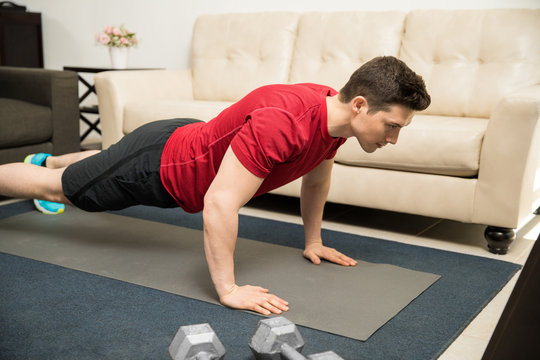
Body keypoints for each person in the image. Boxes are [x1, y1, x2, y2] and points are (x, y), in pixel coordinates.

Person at [0, 56, 431, 315]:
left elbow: (317, 181)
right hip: (157, 168)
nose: (392, 139)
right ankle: (44, 170)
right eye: (391, 125)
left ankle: (49, 159)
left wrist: (313, 240)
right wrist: (228, 290)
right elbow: (220, 204)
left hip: (177, 140)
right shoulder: (283, 125)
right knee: (59, 189)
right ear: (359, 105)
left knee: (106, 159)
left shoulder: (332, 111)